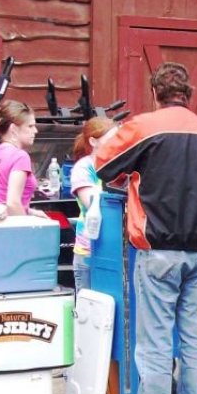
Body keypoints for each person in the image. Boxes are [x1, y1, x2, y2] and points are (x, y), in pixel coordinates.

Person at [96, 62, 197, 394]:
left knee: (155, 341)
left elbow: (103, 165)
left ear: (154, 93)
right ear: (188, 94)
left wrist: (132, 176)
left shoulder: (144, 126)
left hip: (159, 247)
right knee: (195, 338)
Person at [69, 117, 116, 294]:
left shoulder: (119, 165)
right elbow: (92, 202)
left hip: (114, 249)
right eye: (111, 139)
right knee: (90, 305)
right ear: (93, 141)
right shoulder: (84, 167)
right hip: (88, 251)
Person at [0, 100, 47, 218]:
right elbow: (12, 203)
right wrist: (26, 224)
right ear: (13, 129)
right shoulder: (20, 157)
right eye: (30, 126)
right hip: (12, 223)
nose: (35, 130)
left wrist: (30, 212)